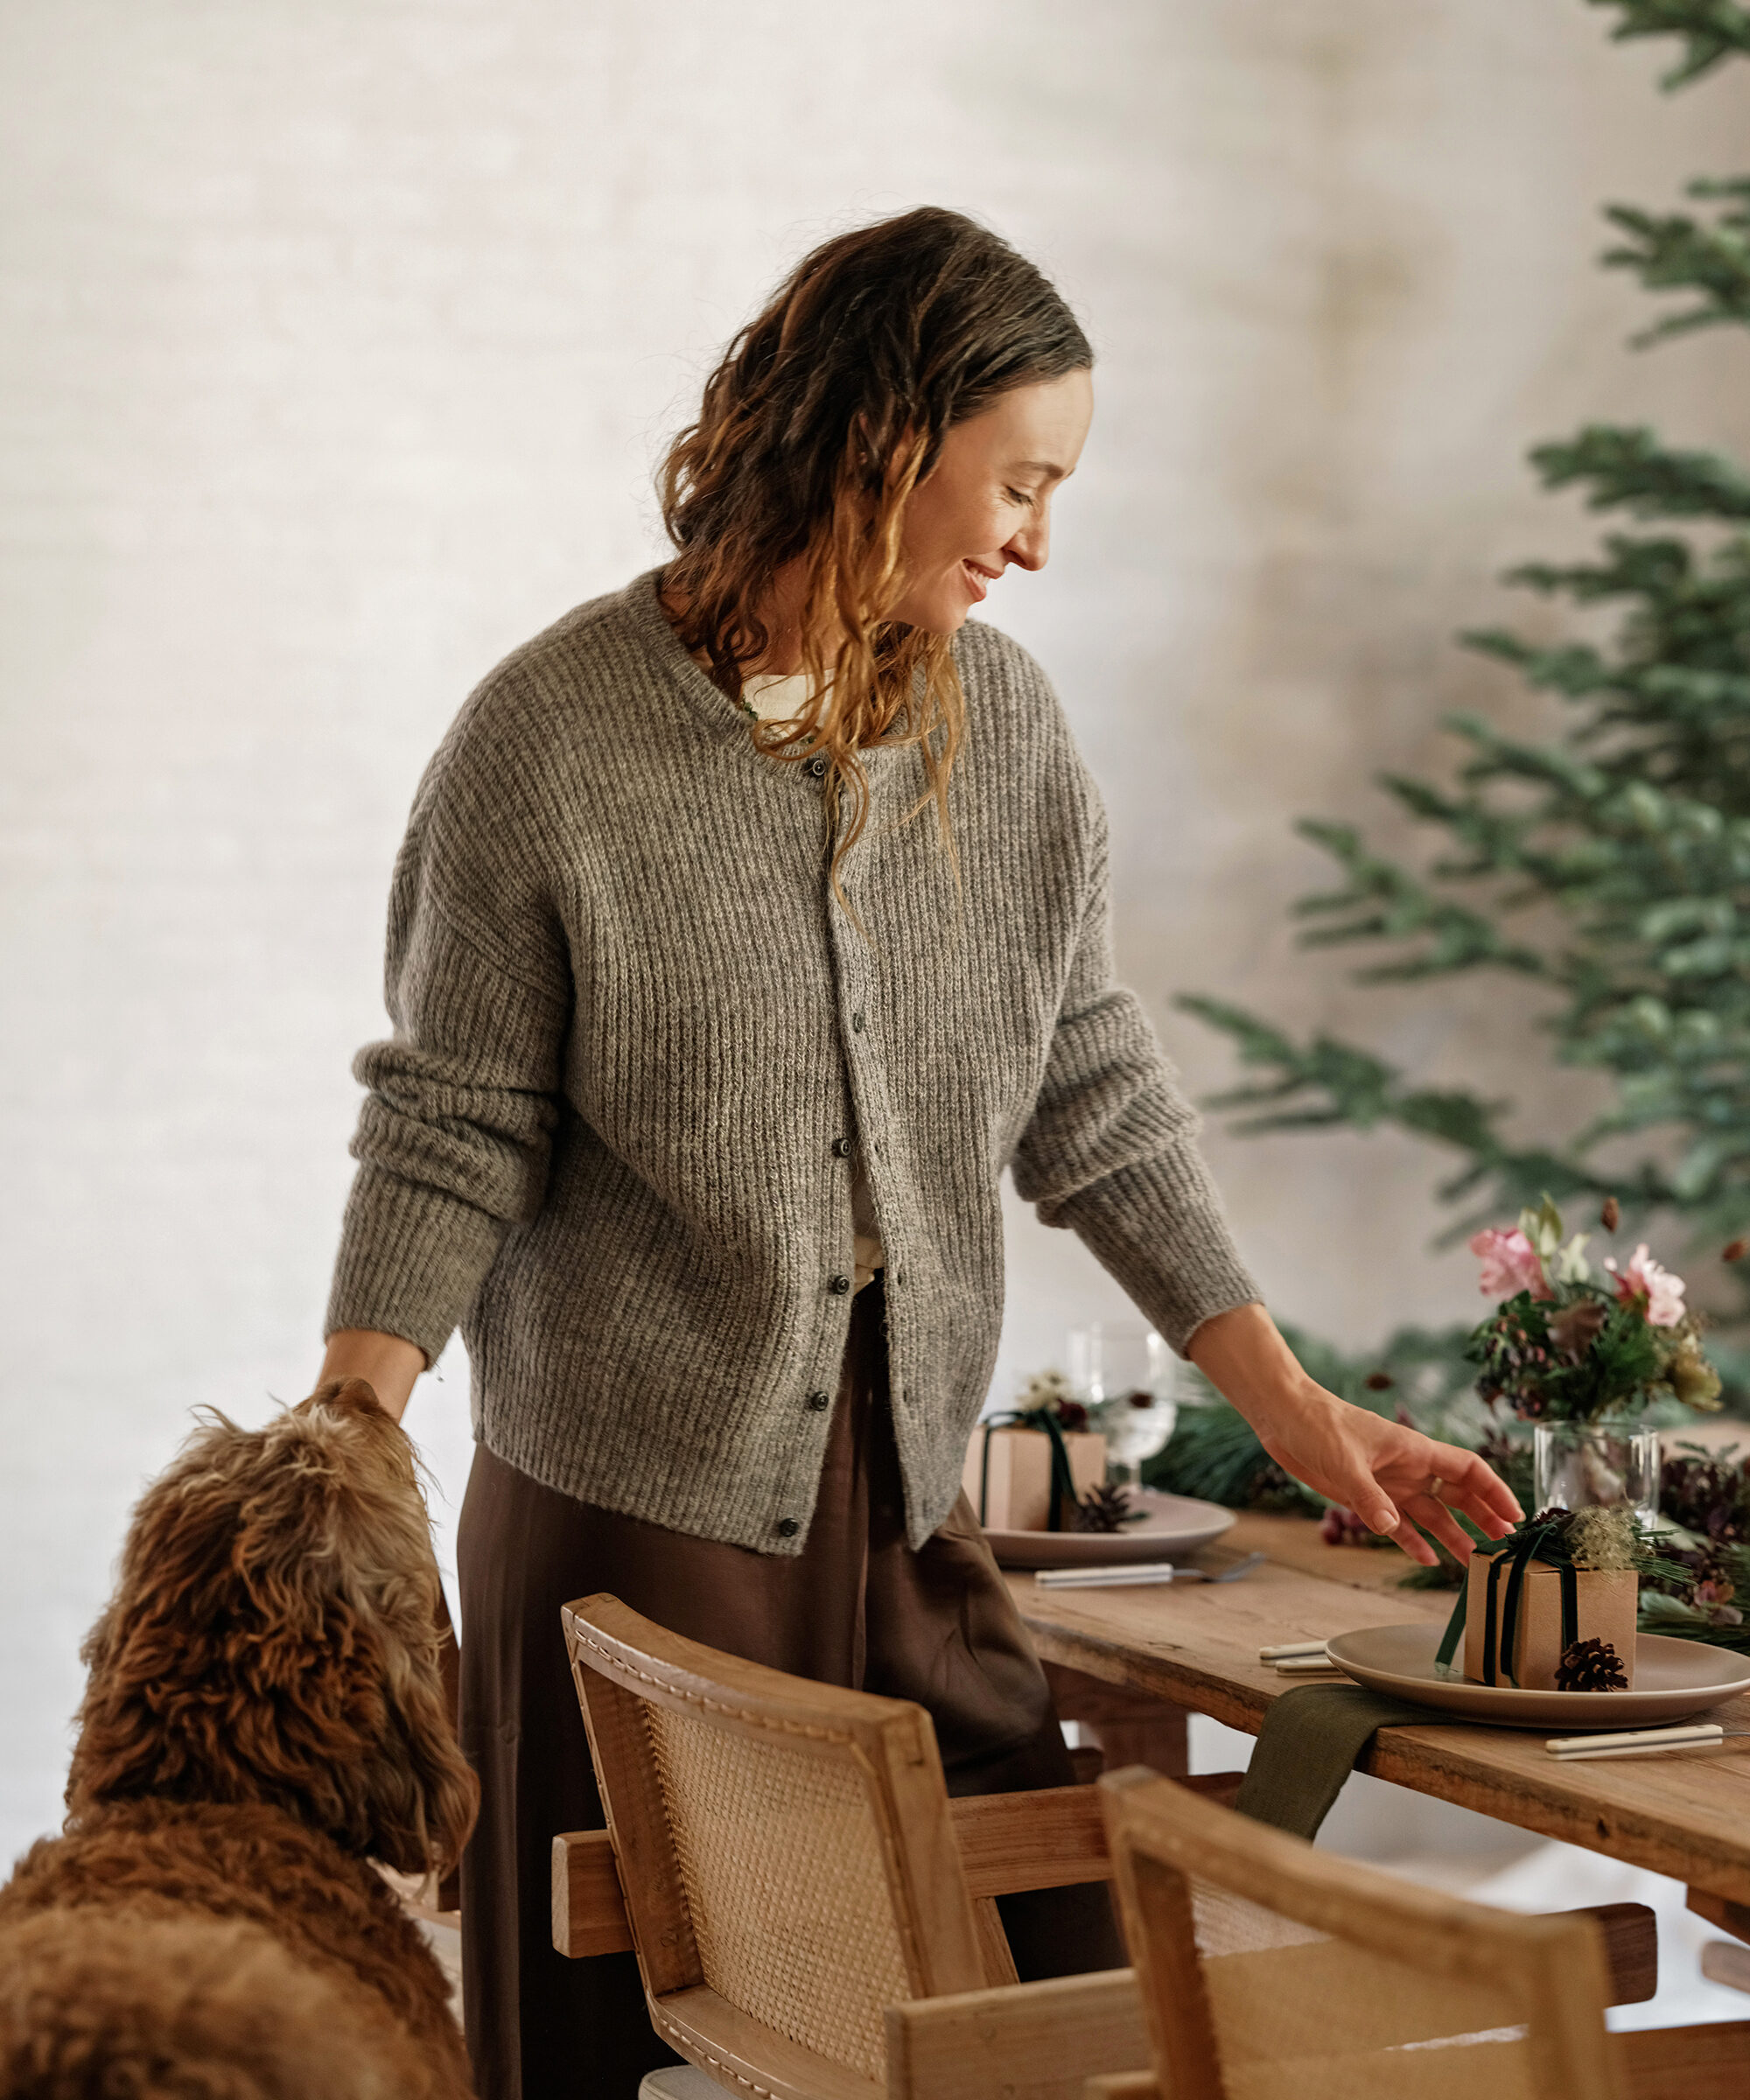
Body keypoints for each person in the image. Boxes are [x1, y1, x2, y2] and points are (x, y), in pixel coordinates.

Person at [316, 207, 1521, 2099]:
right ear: (885, 436)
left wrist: (1291, 1401)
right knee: (626, 2037)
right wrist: (349, 1430)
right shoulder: (547, 740)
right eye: (1020, 481)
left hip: (910, 1507)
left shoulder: (1008, 730)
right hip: (632, 1522)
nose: (1037, 541)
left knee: (1062, 2006)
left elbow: (1088, 1085)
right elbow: (453, 1118)